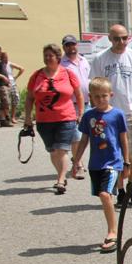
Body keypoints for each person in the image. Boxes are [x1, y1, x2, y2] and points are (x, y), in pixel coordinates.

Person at [89, 24, 132, 205]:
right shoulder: (100, 58)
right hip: (108, 114)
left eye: (124, 38)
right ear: (109, 38)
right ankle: (120, 189)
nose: (121, 42)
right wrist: (96, 110)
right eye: (116, 38)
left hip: (130, 112)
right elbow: (93, 86)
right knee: (113, 153)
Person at [76, 77, 129, 253]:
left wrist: (126, 161)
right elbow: (84, 139)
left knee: (106, 194)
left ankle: (113, 232)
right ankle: (112, 226)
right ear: (90, 96)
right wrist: (76, 160)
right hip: (95, 163)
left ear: (111, 95)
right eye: (96, 96)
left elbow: (123, 139)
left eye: (104, 96)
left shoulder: (117, 114)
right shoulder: (89, 115)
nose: (100, 99)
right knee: (103, 195)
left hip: (113, 161)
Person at [24, 43, 83, 195]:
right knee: (52, 151)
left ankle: (61, 179)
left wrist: (81, 112)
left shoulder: (68, 74)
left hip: (66, 118)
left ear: (58, 57)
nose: (48, 58)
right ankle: (61, 174)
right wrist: (28, 118)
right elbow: (30, 98)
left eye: (51, 55)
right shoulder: (37, 76)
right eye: (45, 56)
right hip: (44, 121)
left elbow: (79, 94)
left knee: (61, 150)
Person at [61, 35, 90, 179]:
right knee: (76, 136)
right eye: (68, 45)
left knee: (89, 134)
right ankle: (78, 164)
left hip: (88, 102)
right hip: (71, 104)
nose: (71, 48)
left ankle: (78, 159)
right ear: (64, 47)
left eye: (73, 45)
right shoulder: (62, 64)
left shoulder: (84, 60)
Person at [1, 50, 24, 125]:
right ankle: (5, 117)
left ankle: (13, 117)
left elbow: (21, 68)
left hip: (12, 83)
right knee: (6, 101)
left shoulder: (9, 64)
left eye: (7, 57)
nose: (6, 59)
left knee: (15, 99)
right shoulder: (0, 65)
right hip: (4, 85)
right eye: (4, 57)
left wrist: (16, 77)